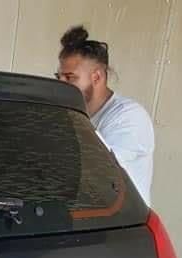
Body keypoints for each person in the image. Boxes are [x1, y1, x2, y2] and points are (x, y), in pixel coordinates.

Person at [56, 25, 155, 205]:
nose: (61, 84)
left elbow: (99, 172)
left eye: (70, 78)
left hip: (120, 227)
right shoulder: (73, 114)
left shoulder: (130, 116)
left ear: (97, 77)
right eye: (59, 77)